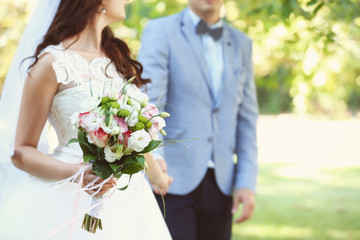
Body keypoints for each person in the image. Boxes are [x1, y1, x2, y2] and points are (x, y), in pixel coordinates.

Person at [0, 0, 172, 239]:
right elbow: (21, 152)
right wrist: (78, 173)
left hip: (127, 204)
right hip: (64, 197)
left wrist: (159, 178)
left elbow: (132, 137)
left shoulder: (118, 59)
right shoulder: (52, 63)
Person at [138, 0, 259, 239]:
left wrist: (246, 181)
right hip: (170, 178)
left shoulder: (242, 43)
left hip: (223, 182)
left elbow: (247, 118)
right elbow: (149, 104)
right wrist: (156, 161)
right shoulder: (160, 30)